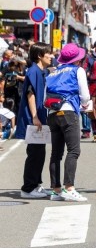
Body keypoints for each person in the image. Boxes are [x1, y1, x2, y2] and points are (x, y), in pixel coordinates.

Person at [44, 43, 93, 202]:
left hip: (52, 113)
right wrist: (85, 104)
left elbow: (45, 95)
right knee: (74, 150)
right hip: (69, 111)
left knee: (56, 153)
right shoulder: (77, 70)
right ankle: (69, 187)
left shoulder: (52, 72)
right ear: (77, 59)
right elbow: (85, 95)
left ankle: (56, 190)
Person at [15, 43, 52, 199]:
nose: (51, 56)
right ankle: (28, 188)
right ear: (39, 55)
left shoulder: (40, 71)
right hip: (34, 118)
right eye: (48, 53)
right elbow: (31, 94)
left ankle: (36, 185)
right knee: (34, 153)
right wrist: (35, 117)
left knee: (39, 153)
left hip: (39, 117)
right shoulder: (33, 71)